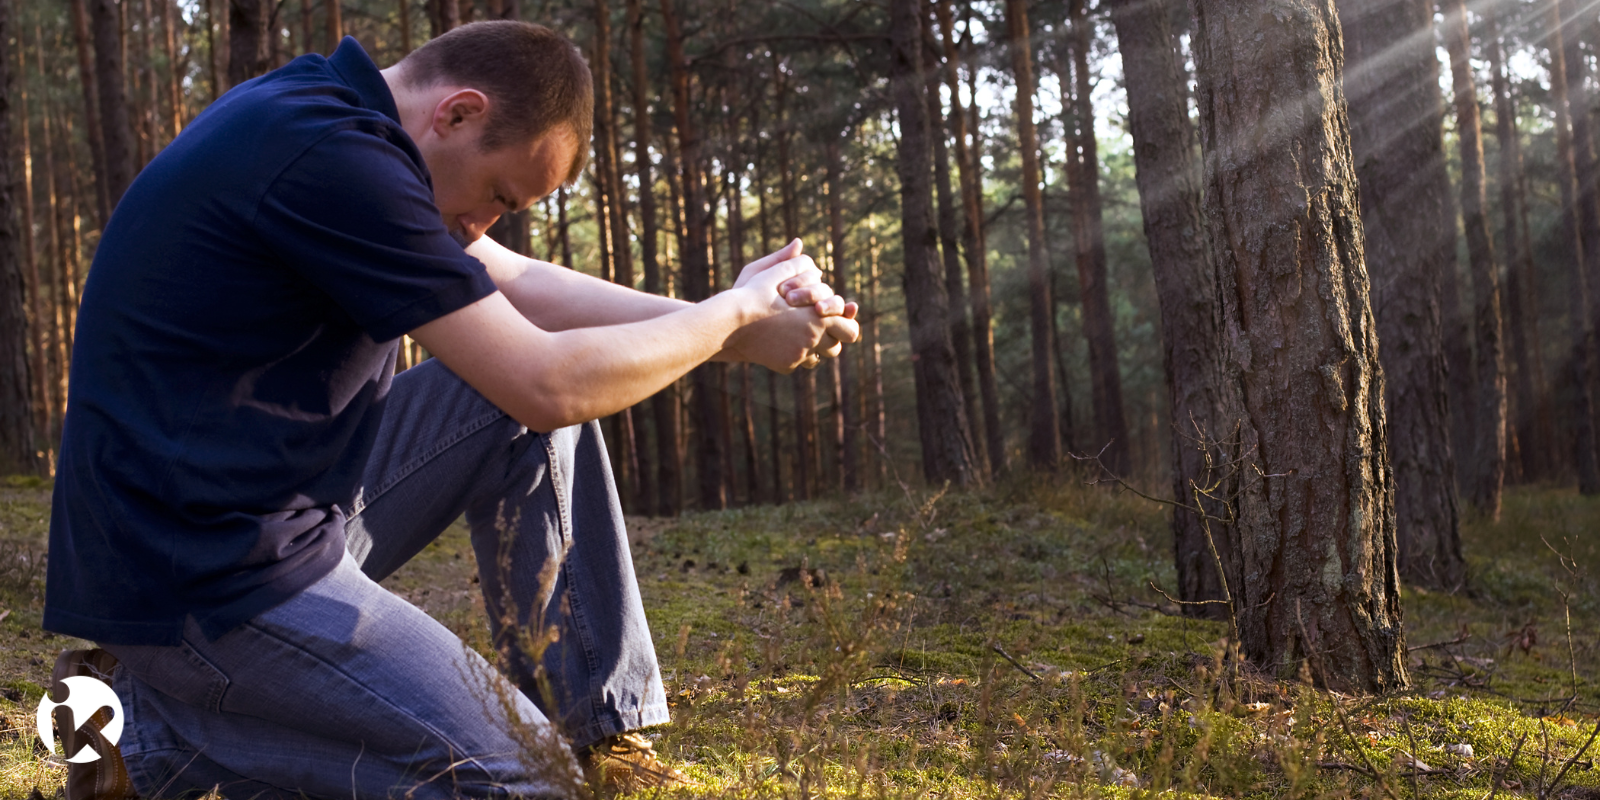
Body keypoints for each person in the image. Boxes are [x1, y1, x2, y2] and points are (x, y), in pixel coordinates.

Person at [42, 20, 857, 800]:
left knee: (523, 409)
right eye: (497, 193)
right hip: (201, 571)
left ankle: (594, 732)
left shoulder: (331, 112)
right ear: (459, 112)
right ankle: (153, 741)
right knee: (521, 785)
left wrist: (728, 326)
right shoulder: (336, 160)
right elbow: (545, 381)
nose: (483, 222)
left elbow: (524, 285)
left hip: (259, 509)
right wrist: (735, 314)